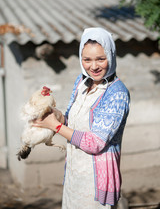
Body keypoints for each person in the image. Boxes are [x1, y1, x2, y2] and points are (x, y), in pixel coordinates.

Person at [33, 27, 130, 209]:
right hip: (74, 173)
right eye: (87, 60)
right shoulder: (81, 82)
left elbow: (96, 143)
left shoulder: (117, 94)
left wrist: (56, 127)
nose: (93, 66)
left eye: (101, 59)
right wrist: (55, 115)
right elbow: (71, 119)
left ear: (111, 56)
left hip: (96, 182)